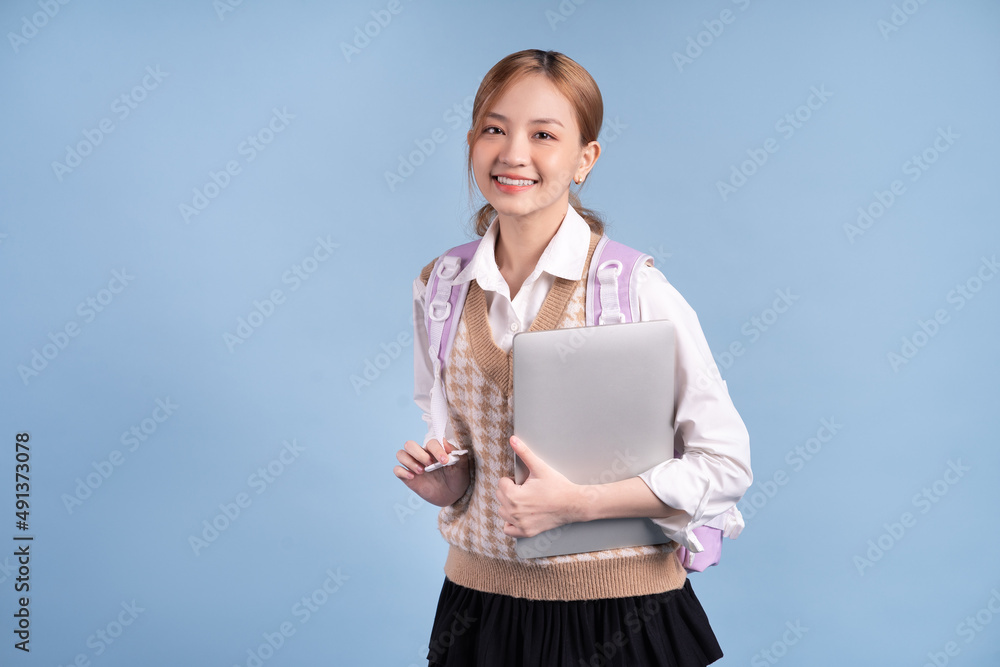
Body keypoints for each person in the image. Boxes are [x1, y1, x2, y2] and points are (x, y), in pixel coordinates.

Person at [393, 49, 752, 667]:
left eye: (544, 135)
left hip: (618, 613)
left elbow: (725, 466)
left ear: (585, 158)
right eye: (494, 129)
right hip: (480, 611)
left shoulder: (634, 288)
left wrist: (581, 505)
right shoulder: (441, 286)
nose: (512, 154)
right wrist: (452, 483)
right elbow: (454, 433)